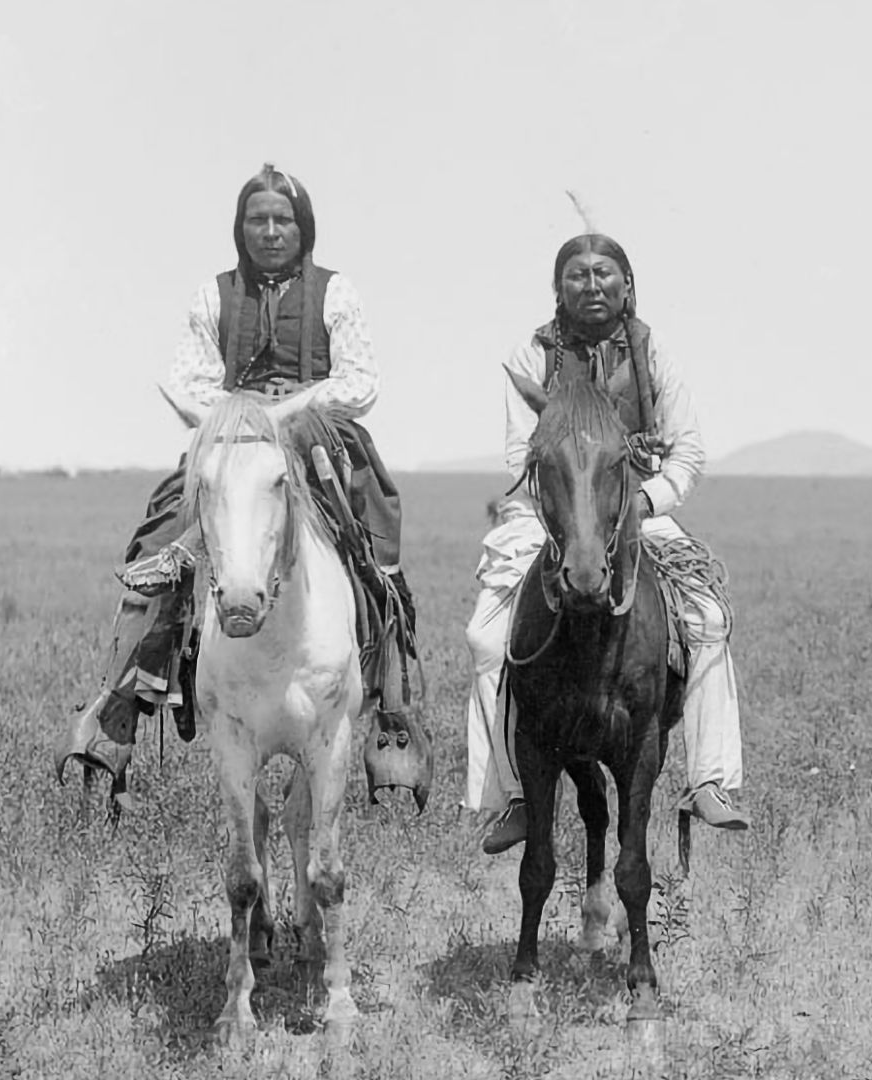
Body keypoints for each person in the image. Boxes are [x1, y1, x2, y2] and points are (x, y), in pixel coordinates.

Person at [56, 163, 411, 800]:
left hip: (314, 433)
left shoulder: (336, 294)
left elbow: (361, 379)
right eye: (257, 220)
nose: (271, 231)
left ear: (304, 229)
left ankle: (391, 715)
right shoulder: (212, 296)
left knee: (369, 546)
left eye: (283, 220)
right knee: (159, 543)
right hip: (228, 437)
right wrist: (235, 415)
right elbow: (187, 378)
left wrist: (294, 409)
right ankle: (116, 713)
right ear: (239, 228)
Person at [464, 233, 748, 852]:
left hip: (639, 509)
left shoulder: (652, 350)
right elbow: (521, 453)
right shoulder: (532, 353)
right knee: (485, 638)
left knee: (706, 618)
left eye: (604, 273)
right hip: (551, 516)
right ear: (558, 286)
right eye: (576, 275)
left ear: (627, 283)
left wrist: (646, 500)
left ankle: (709, 780)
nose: (591, 285)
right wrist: (568, 511)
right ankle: (508, 793)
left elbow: (688, 448)